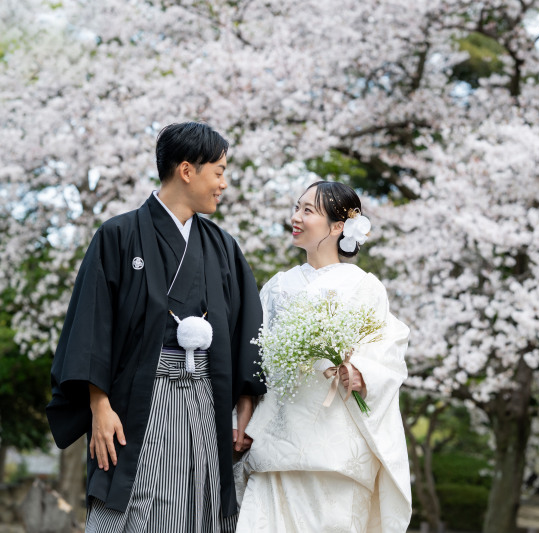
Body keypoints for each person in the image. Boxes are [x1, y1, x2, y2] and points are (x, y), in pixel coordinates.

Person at [46, 122, 265, 533]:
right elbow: (92, 325)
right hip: (135, 404)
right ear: (187, 170)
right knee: (135, 499)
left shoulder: (223, 248)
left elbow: (246, 333)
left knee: (199, 501)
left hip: (206, 399)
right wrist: (99, 405)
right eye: (218, 171)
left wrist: (245, 410)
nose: (224, 183)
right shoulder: (118, 235)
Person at [234, 181, 412, 532]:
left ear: (337, 226)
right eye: (296, 207)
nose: (295, 217)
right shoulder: (276, 287)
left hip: (334, 451)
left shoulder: (364, 286)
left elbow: (388, 345)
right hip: (275, 445)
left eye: (307, 210)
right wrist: (242, 417)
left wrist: (359, 370)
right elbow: (254, 361)